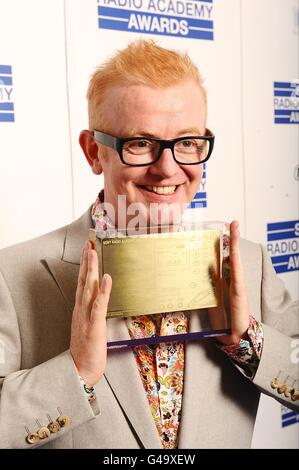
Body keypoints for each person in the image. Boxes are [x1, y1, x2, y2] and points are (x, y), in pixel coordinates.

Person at [0, 40, 298, 450]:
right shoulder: (11, 277)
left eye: (188, 142)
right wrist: (73, 374)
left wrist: (249, 342)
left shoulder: (248, 262)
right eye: (141, 143)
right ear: (93, 152)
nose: (168, 168)